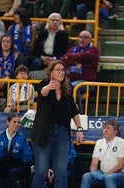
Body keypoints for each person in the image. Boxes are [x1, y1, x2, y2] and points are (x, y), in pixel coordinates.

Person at [30, 60, 84, 188]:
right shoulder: (43, 84)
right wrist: (48, 88)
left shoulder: (68, 88)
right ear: (50, 72)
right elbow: (42, 93)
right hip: (42, 133)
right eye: (58, 70)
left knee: (61, 172)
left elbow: (74, 111)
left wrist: (80, 128)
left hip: (62, 133)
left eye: (63, 70)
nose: (61, 72)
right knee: (41, 171)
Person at [0, 112, 34, 188]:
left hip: (14, 165)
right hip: (0, 165)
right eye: (14, 122)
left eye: (18, 122)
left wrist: (32, 166)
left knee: (13, 173)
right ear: (8, 122)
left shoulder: (21, 138)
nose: (17, 124)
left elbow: (28, 155)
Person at [80, 119, 124, 188]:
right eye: (104, 128)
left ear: (115, 131)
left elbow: (120, 166)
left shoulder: (122, 142)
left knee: (109, 178)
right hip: (102, 173)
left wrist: (106, 174)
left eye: (108, 128)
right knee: (86, 176)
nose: (105, 130)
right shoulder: (99, 142)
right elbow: (94, 163)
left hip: (121, 174)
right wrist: (93, 173)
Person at [62, 30, 99, 114]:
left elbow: (85, 56)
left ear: (90, 40)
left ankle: (79, 115)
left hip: (87, 83)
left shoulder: (94, 50)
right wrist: (74, 58)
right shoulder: (73, 49)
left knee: (74, 87)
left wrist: (70, 57)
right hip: (70, 80)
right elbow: (64, 60)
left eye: (85, 38)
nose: (82, 39)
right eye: (80, 37)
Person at [0, 34, 23, 99]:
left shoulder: (17, 55)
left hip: (10, 79)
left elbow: (18, 70)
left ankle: (6, 106)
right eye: (3, 41)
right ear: (0, 43)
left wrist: (8, 78)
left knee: (7, 85)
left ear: (11, 44)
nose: (5, 43)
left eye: (8, 42)